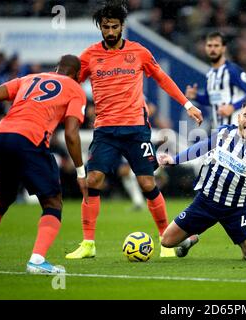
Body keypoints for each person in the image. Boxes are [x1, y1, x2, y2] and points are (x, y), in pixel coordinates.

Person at [65, 1, 203, 260]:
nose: (109, 31)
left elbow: (161, 77)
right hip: (105, 131)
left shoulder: (138, 52)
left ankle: (166, 241)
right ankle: (88, 244)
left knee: (147, 183)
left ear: (122, 26)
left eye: (114, 26)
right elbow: (72, 84)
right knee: (92, 180)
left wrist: (187, 104)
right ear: (100, 27)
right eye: (105, 27)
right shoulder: (89, 56)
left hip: (136, 130)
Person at [158, 98, 246, 261]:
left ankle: (244, 243)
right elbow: (201, 147)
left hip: (238, 210)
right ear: (239, 117)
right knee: (167, 241)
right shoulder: (223, 133)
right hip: (206, 202)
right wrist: (174, 159)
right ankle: (190, 240)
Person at [0, 55, 88, 273]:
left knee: (4, 197)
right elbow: (71, 133)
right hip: (30, 139)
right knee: (52, 202)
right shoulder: (75, 89)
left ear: (57, 67)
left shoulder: (30, 78)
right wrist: (81, 172)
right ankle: (37, 261)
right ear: (78, 75)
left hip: (2, 135)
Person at [185, 31, 246, 229]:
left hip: (237, 134)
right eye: (209, 45)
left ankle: (192, 226)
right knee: (212, 174)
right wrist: (197, 97)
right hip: (221, 133)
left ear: (223, 48)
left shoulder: (231, 71)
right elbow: (215, 102)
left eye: (216, 45)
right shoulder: (211, 74)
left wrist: (234, 105)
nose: (212, 49)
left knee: (215, 174)